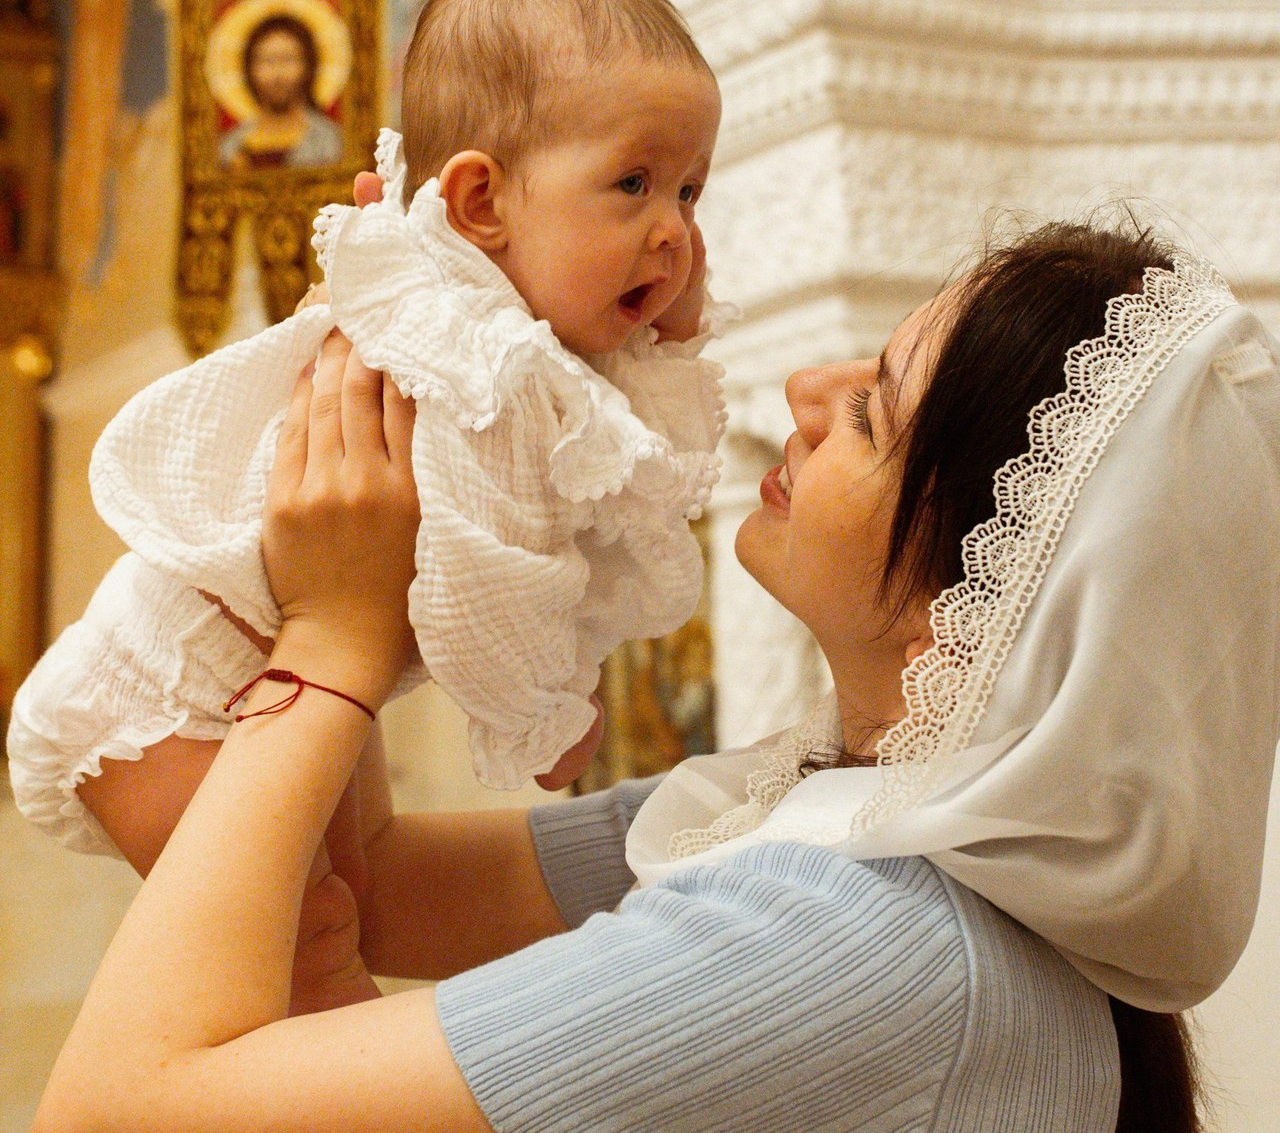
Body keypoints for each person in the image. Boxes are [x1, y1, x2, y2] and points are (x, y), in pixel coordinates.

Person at [32, 213, 1280, 1132]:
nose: (806, 389)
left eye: (870, 411)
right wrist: (418, 459)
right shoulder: (830, 821)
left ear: (967, 611)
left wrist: (332, 640)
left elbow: (114, 1110)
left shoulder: (864, 939)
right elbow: (378, 881)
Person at [8, 0, 725, 1014]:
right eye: (632, 183)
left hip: (250, 686)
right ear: (479, 203)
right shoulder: (468, 360)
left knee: (351, 912)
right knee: (316, 964)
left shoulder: (500, 326)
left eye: (688, 190)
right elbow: (486, 573)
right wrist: (543, 714)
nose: (671, 230)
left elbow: (642, 455)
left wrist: (669, 330)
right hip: (161, 704)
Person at [218, 13, 344, 169]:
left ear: (308, 67)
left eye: (288, 59)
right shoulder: (231, 147)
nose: (277, 74)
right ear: (249, 70)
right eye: (267, 60)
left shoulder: (330, 141)